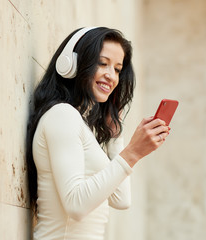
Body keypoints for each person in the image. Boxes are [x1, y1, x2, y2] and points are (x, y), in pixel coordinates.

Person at [26, 27, 170, 239]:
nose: (111, 76)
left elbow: (121, 199)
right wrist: (133, 153)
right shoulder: (62, 116)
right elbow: (75, 205)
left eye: (118, 69)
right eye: (102, 63)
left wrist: (115, 138)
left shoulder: (78, 122)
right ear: (72, 64)